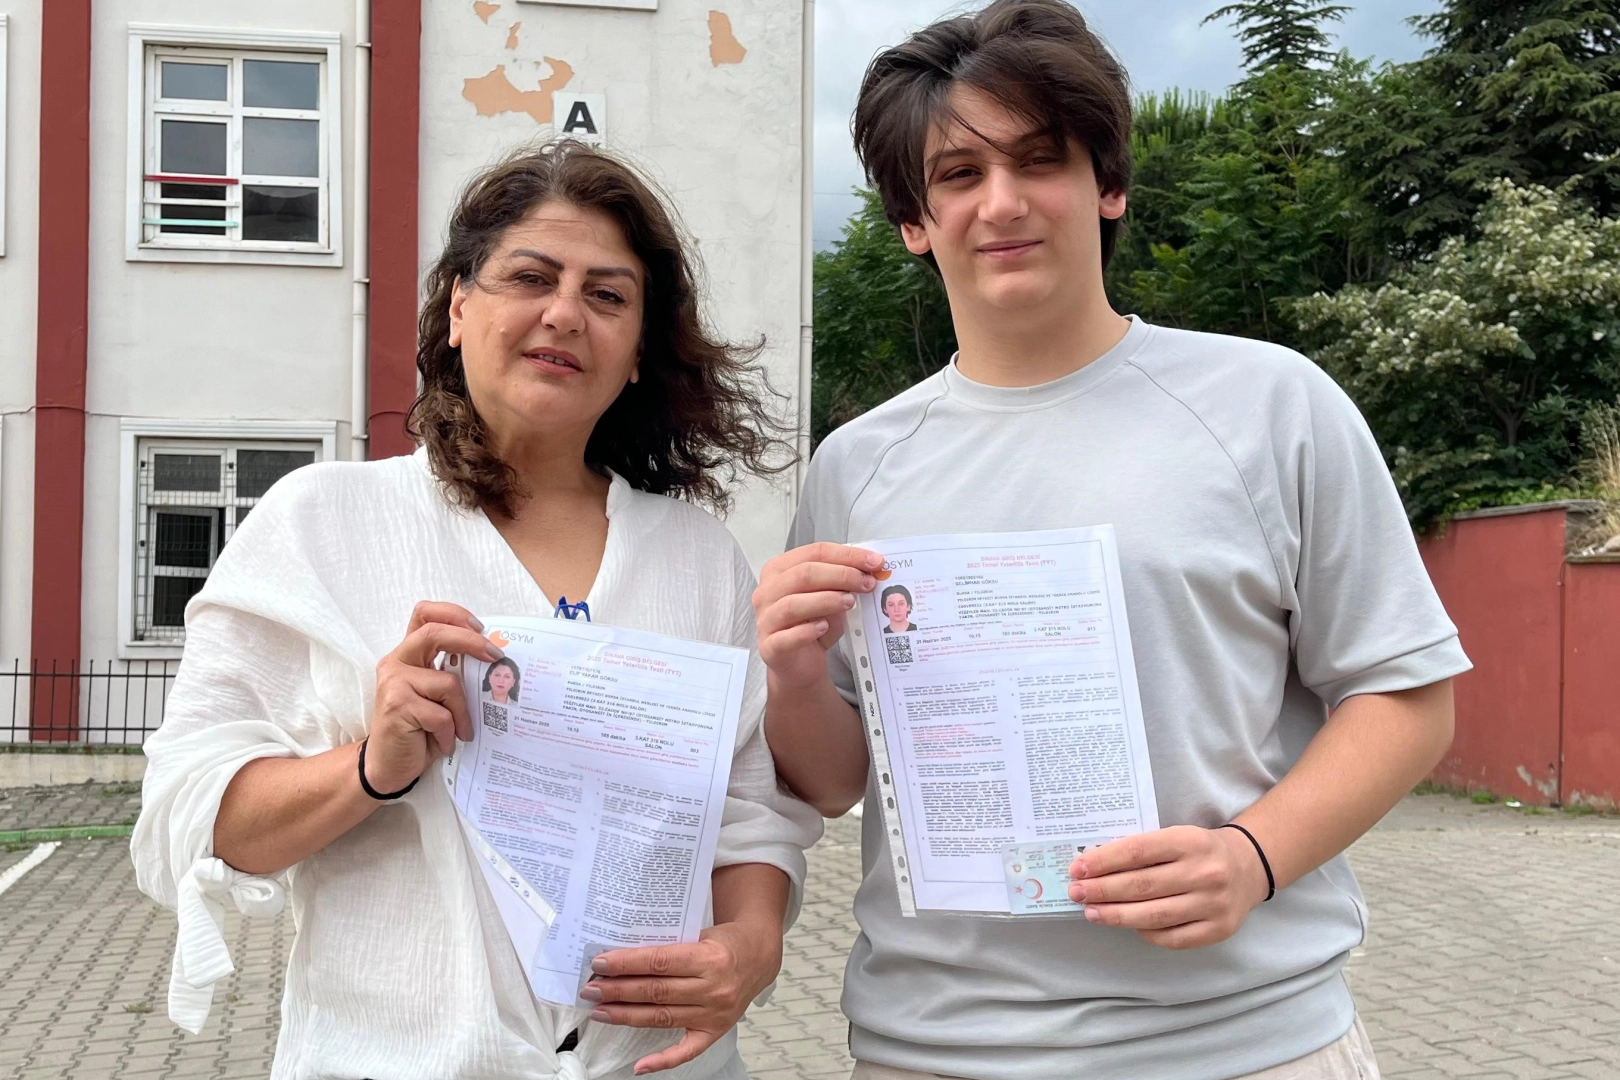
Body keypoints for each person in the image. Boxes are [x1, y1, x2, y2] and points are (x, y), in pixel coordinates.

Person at [751, 3, 1470, 1078]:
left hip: (1243, 1043)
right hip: (934, 1047)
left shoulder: (1270, 406)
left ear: (1109, 184)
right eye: (958, 174)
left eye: (1040, 159)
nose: (1002, 202)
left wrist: (1254, 857)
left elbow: (1405, 695)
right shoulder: (857, 465)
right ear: (914, 219)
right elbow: (834, 779)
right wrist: (796, 676)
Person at [132, 141, 822, 1080]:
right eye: (530, 277)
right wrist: (370, 767)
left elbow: (748, 814)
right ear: (458, 307)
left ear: (637, 352)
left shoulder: (697, 557)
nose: (564, 313)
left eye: (607, 295)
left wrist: (752, 945)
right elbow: (189, 816)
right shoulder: (323, 523)